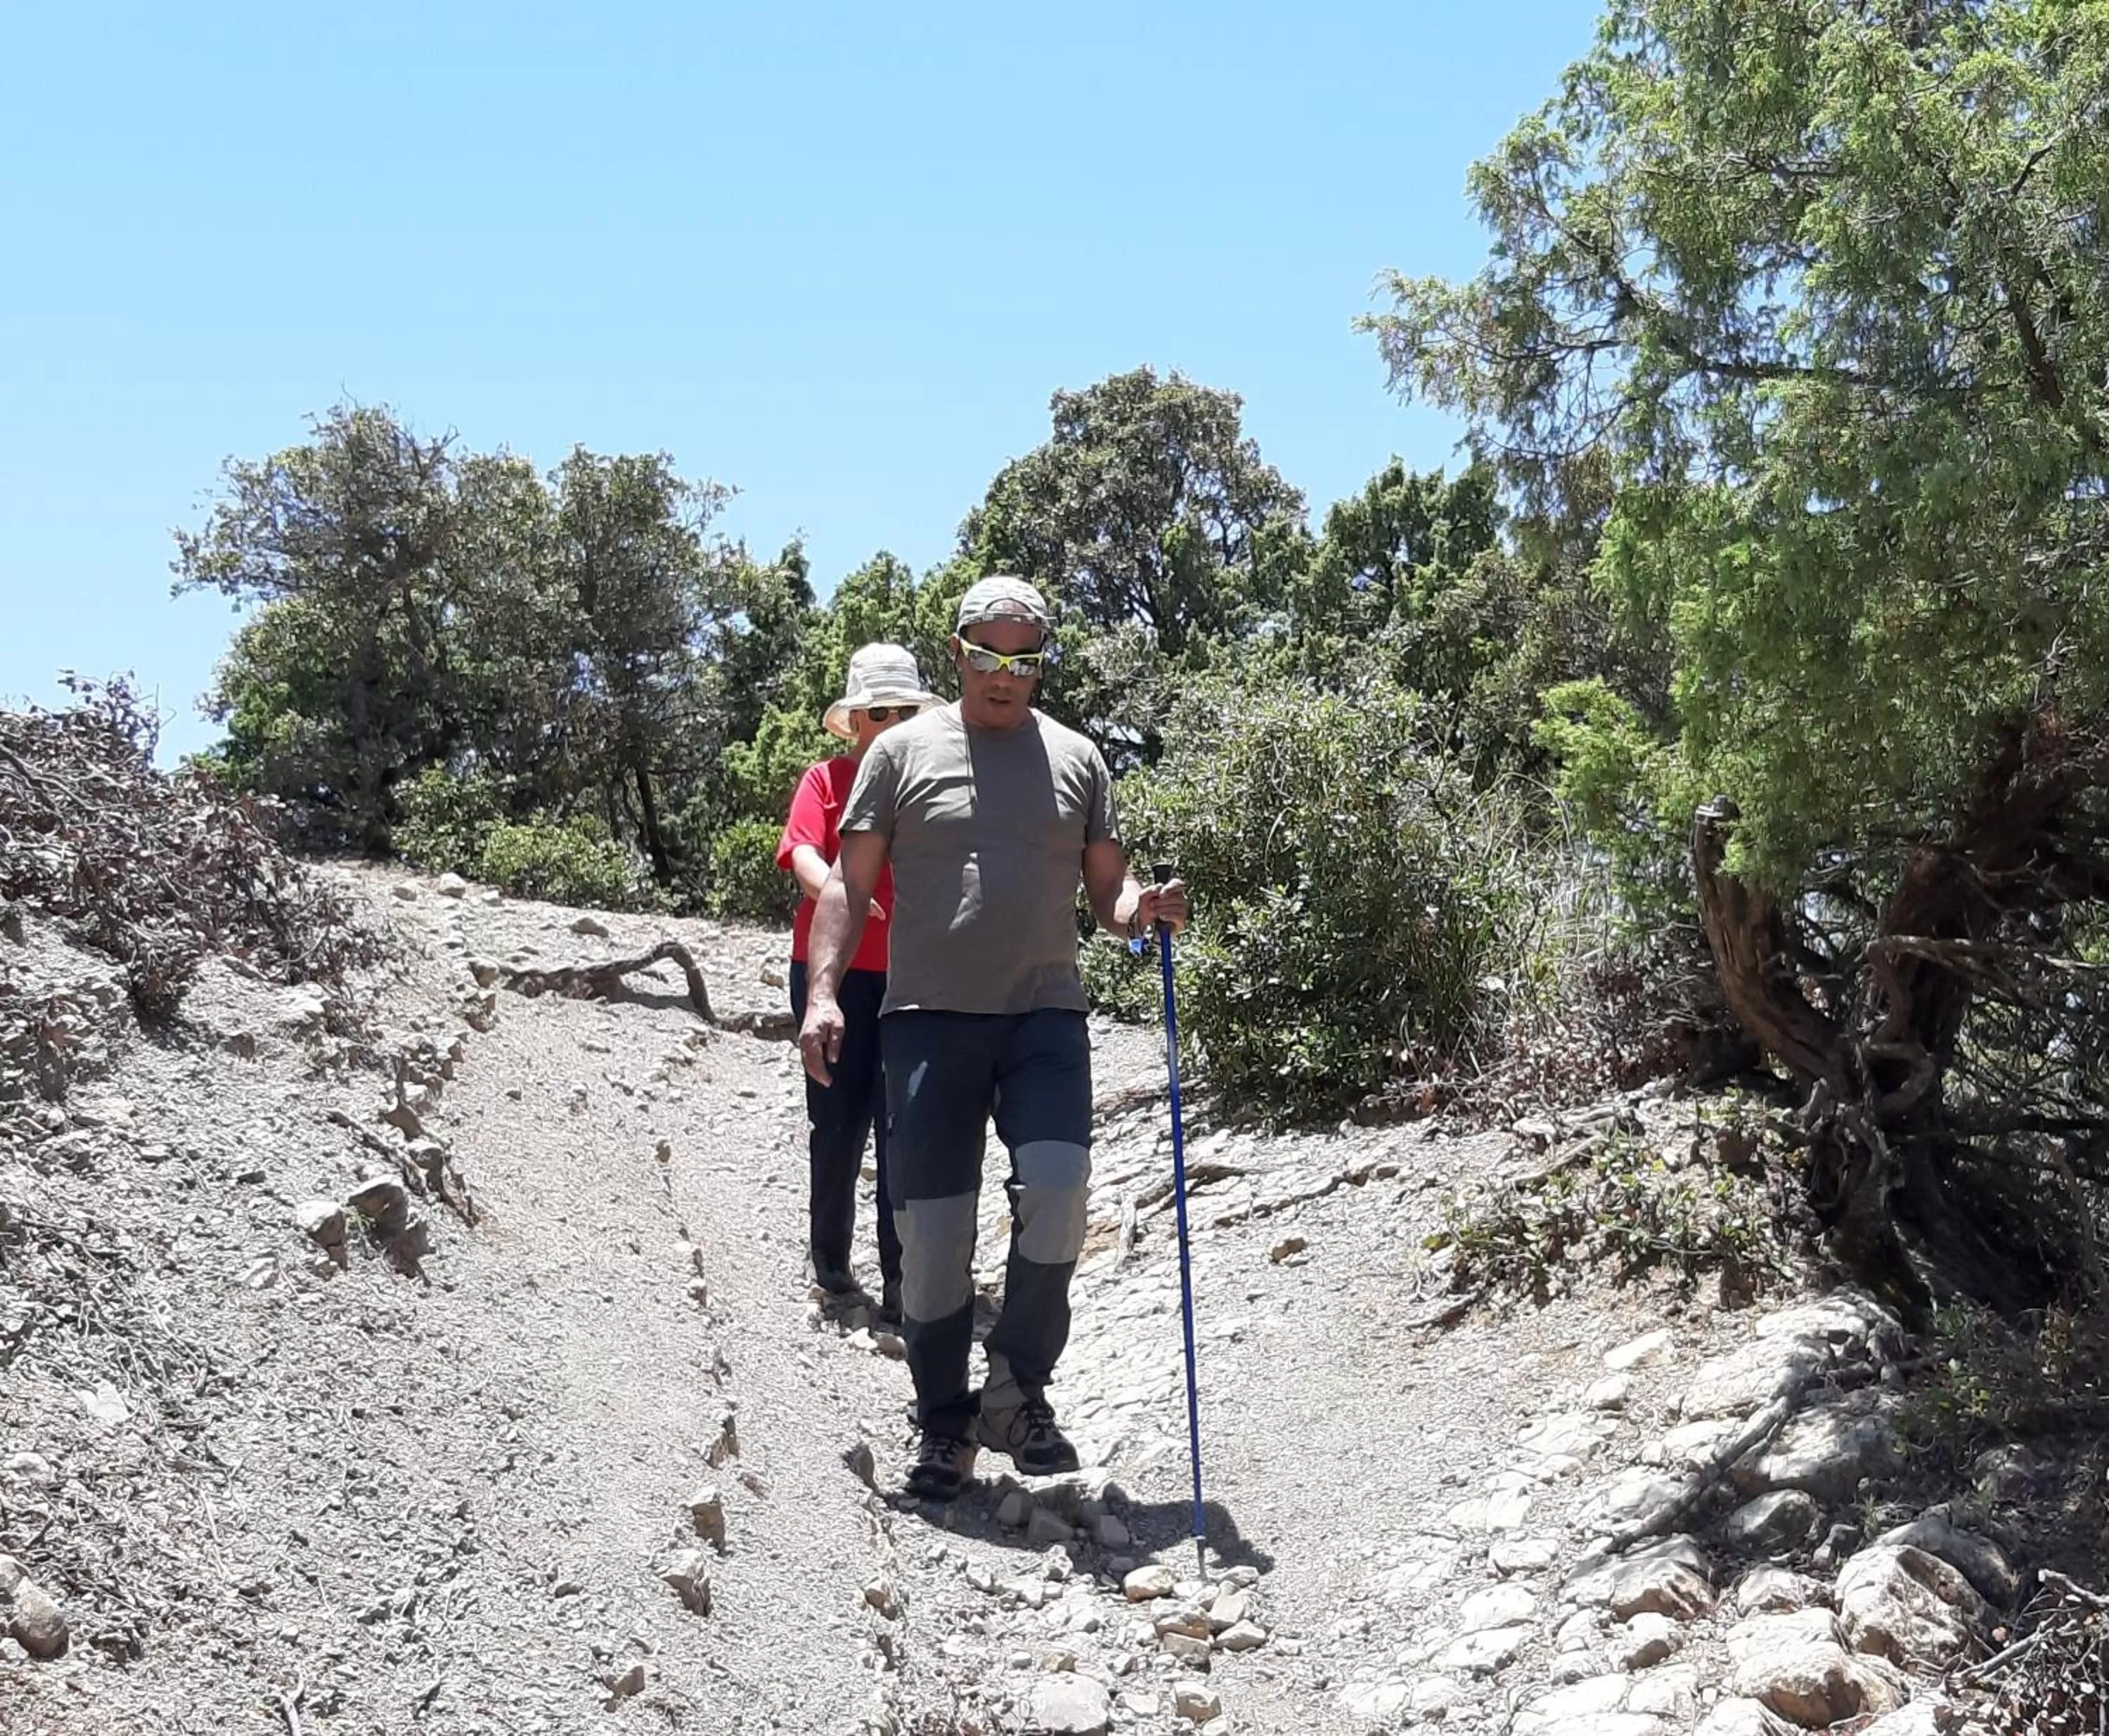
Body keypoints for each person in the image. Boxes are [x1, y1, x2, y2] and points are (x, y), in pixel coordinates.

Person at [797, 576, 1188, 1500]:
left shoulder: (1079, 761)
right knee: (931, 1238)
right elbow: (848, 889)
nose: (1004, 674)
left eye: (1023, 658)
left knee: (1056, 1190)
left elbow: (1108, 896)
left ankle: (1014, 1394)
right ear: (958, 649)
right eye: (987, 655)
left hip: (1045, 1012)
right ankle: (943, 1423)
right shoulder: (897, 755)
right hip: (928, 1016)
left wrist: (1145, 913)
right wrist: (822, 995)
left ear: (1042, 661)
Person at [776, 642, 939, 1322]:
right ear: (856, 721)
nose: (891, 722)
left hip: (914, 976)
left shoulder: (934, 788)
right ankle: (833, 1264)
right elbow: (803, 853)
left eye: (904, 710)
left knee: (903, 1124)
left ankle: (903, 1277)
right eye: (879, 711)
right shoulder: (826, 781)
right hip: (832, 974)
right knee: (837, 1122)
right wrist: (842, 890)